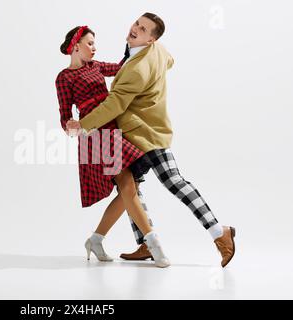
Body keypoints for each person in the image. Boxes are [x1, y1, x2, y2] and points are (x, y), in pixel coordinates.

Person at [66, 13, 236, 268]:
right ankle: (143, 243)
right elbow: (170, 61)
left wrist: (83, 125)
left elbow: (115, 103)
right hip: (142, 133)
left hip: (144, 134)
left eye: (143, 29)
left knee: (173, 182)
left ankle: (219, 232)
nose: (135, 29)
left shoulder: (138, 67)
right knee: (131, 188)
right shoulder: (158, 50)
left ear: (151, 39)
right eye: (137, 23)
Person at [56, 25, 170, 267]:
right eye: (90, 43)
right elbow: (64, 113)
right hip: (96, 135)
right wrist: (70, 125)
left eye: (95, 43)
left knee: (130, 188)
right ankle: (154, 245)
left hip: (115, 127)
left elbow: (121, 66)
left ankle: (96, 240)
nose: (94, 48)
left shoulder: (96, 66)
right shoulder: (64, 77)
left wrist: (138, 44)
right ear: (76, 46)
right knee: (128, 187)